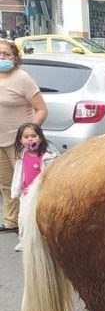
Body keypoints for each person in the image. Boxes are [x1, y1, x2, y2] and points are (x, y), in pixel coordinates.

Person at [0, 38, 47, 233]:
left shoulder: (22, 79)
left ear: (15, 58)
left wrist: (28, 134)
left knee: (27, 183)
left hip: (18, 142)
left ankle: (33, 222)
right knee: (6, 183)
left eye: (6, 54)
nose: (2, 58)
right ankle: (11, 221)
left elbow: (41, 110)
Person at [10, 122, 55, 251]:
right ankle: (24, 241)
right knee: (23, 218)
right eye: (26, 137)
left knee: (41, 218)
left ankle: (45, 241)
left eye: (33, 136)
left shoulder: (47, 156)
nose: (30, 139)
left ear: (40, 137)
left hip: (41, 194)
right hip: (26, 194)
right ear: (20, 140)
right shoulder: (22, 156)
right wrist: (15, 191)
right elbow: (18, 174)